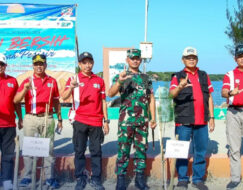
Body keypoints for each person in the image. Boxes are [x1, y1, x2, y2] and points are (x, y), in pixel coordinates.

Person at [108, 49, 156, 190]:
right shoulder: (121, 75)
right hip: (126, 121)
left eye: (137, 58)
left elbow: (151, 99)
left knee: (141, 150)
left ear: (140, 60)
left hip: (142, 121)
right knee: (123, 150)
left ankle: (140, 179)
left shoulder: (146, 78)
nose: (135, 60)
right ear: (127, 60)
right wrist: (119, 82)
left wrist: (152, 118)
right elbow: (110, 94)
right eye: (132, 58)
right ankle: (121, 179)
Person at [13, 54, 62, 189]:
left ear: (45, 65)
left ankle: (50, 177)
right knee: (29, 148)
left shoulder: (52, 81)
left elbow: (57, 101)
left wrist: (59, 118)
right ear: (33, 66)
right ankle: (28, 176)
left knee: (49, 148)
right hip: (31, 118)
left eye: (41, 64)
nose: (39, 66)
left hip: (48, 117)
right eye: (36, 64)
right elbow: (16, 100)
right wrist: (25, 89)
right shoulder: (27, 81)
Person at [169, 47, 215, 190]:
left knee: (200, 151)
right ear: (183, 60)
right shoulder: (177, 76)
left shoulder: (204, 75)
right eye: (188, 57)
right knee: (181, 151)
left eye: (193, 57)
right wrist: (181, 86)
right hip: (183, 120)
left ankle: (197, 179)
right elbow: (171, 95)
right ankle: (182, 179)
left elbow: (210, 97)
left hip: (202, 120)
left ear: (197, 59)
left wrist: (212, 117)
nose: (191, 59)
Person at [62, 52, 109, 190]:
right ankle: (80, 178)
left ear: (93, 63)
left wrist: (106, 121)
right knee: (79, 151)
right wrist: (71, 87)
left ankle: (96, 179)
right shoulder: (73, 78)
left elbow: (103, 101)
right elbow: (63, 97)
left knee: (96, 151)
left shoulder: (99, 80)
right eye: (84, 62)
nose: (87, 65)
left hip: (96, 122)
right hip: (80, 121)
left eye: (89, 62)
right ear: (79, 64)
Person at [221, 44, 243, 190]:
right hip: (233, 113)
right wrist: (231, 93)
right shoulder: (229, 74)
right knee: (234, 148)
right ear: (235, 58)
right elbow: (224, 92)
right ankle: (235, 178)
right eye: (240, 56)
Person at [0, 53, 22, 190]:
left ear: (6, 65)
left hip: (9, 125)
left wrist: (20, 117)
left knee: (8, 155)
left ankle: (7, 181)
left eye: (1, 64)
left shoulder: (13, 81)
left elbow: (17, 103)